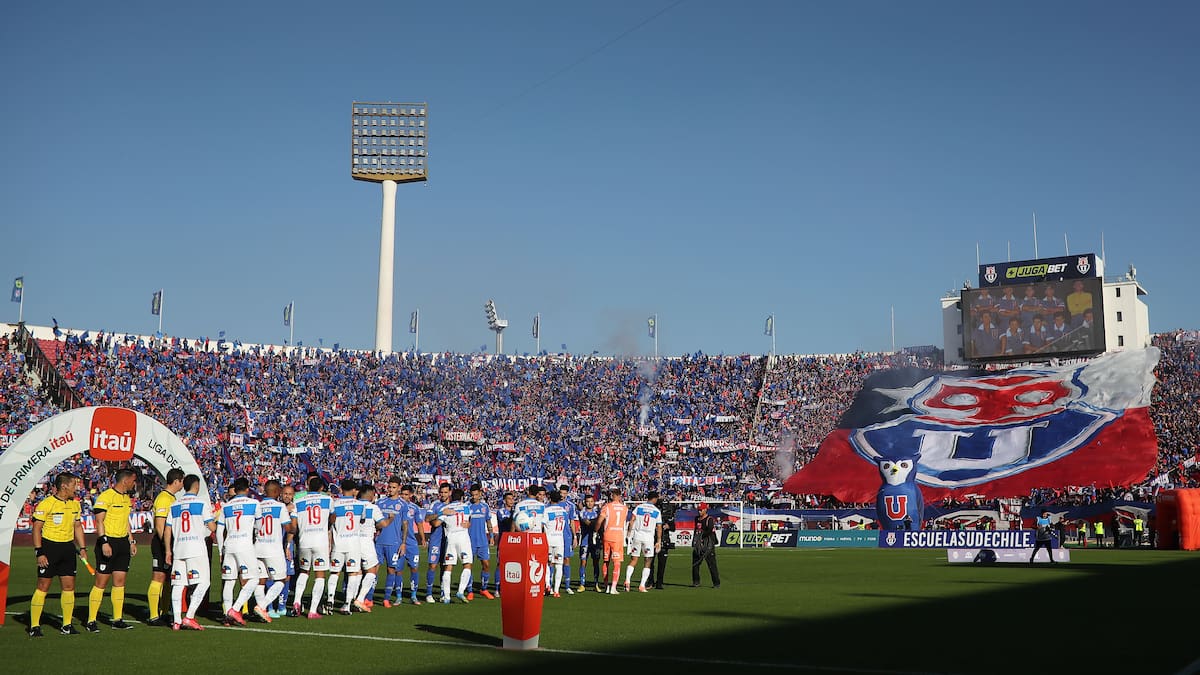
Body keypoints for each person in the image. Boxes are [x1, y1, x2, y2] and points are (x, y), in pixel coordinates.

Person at [29, 472, 89, 637]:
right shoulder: (46, 504)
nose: (76, 488)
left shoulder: (75, 505)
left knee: (69, 587)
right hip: (49, 548)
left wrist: (83, 548)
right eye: (73, 485)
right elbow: (36, 529)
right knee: (43, 587)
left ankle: (67, 625)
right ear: (64, 486)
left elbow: (78, 527)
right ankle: (34, 626)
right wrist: (39, 552)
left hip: (68, 549)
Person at [86, 467, 139, 632]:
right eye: (133, 480)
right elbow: (99, 521)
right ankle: (91, 620)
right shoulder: (106, 496)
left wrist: (131, 541)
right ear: (125, 480)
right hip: (108, 543)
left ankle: (117, 619)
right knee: (101, 582)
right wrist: (104, 542)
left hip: (123, 543)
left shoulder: (126, 499)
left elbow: (126, 521)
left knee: (120, 582)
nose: (134, 483)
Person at [164, 474, 215, 631]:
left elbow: (167, 529)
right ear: (197, 486)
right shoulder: (201, 503)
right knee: (204, 582)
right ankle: (190, 616)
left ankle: (177, 620)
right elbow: (212, 527)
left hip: (178, 549)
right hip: (196, 548)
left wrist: (167, 550)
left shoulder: (175, 504)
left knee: (178, 584)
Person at [216, 477, 262, 626]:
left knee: (229, 582)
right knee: (254, 578)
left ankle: (226, 614)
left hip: (229, 545)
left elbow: (219, 531)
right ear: (248, 489)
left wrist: (221, 551)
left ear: (234, 490)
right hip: (245, 545)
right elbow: (259, 527)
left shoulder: (226, 506)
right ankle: (235, 609)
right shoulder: (254, 503)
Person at [147, 468, 185, 626]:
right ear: (176, 481)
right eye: (182, 481)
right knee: (158, 577)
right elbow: (160, 525)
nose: (182, 484)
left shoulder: (171, 498)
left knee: (169, 579)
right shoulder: (164, 498)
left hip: (169, 543)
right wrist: (166, 545)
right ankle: (153, 615)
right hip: (162, 543)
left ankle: (164, 612)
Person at [290, 476, 332, 619]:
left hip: (304, 541)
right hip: (320, 540)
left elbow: (294, 524)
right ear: (321, 488)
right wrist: (327, 525)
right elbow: (333, 517)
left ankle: (296, 601)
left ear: (308, 486)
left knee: (303, 571)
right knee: (320, 574)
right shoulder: (327, 500)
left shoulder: (298, 501)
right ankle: (312, 610)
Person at [252, 479, 290, 620]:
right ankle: (262, 606)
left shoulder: (257, 505)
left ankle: (263, 611)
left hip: (258, 548)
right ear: (275, 492)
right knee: (281, 580)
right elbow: (288, 527)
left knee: (261, 580)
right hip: (273, 548)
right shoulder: (280, 506)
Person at [328, 479, 365, 615]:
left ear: (341, 489)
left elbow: (331, 521)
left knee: (334, 572)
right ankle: (347, 604)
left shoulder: (335, 504)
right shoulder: (360, 505)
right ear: (354, 490)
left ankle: (330, 600)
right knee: (352, 574)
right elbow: (362, 519)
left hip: (338, 543)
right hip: (353, 544)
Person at [350, 483, 389, 612]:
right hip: (366, 540)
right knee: (372, 570)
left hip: (353, 540)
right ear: (371, 494)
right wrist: (391, 519)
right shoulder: (373, 507)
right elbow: (382, 524)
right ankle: (360, 599)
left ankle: (350, 600)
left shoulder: (353, 505)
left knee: (357, 571)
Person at [438, 488, 474, 604]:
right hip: (463, 536)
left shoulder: (446, 509)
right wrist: (468, 523)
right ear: (462, 497)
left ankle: (447, 597)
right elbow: (469, 520)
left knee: (448, 567)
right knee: (467, 565)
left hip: (451, 537)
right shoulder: (467, 507)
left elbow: (437, 522)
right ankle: (460, 591)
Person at [374, 477, 405, 607]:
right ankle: (369, 598)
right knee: (373, 569)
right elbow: (375, 521)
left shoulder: (403, 505)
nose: (391, 489)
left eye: (393, 487)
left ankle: (386, 598)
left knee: (391, 570)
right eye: (389, 487)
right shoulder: (380, 503)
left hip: (394, 542)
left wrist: (403, 543)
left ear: (399, 488)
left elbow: (405, 525)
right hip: (379, 542)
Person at [624, 491, 662, 592]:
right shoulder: (656, 511)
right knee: (648, 561)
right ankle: (641, 585)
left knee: (634, 559)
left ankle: (627, 581)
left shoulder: (639, 507)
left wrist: (628, 534)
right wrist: (659, 540)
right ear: (654, 499)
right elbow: (659, 526)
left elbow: (631, 520)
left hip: (637, 536)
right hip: (648, 538)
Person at [595, 488, 628, 594]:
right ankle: (613, 587)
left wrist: (595, 531)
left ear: (612, 495)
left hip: (607, 535)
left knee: (606, 561)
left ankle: (606, 586)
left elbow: (599, 521)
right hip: (618, 537)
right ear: (619, 496)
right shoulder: (625, 508)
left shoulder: (607, 507)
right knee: (617, 562)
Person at [423, 482, 452, 603]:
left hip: (449, 540)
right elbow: (427, 519)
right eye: (441, 492)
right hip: (436, 539)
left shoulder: (454, 506)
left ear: (450, 493)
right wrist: (441, 513)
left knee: (445, 566)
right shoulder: (435, 504)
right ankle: (429, 594)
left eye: (445, 492)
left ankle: (443, 592)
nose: (443, 494)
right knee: (432, 565)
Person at [466, 484, 495, 599]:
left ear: (480, 494)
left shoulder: (485, 507)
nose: (474, 497)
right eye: (472, 495)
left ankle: (484, 589)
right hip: (469, 541)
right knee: (469, 566)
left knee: (486, 564)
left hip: (482, 541)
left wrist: (491, 536)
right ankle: (469, 591)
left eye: (476, 495)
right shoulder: (467, 507)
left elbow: (488, 522)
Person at [543, 490, 570, 597]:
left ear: (550, 498)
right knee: (559, 565)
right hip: (559, 540)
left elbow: (542, 524)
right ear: (559, 499)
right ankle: (557, 590)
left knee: (546, 563)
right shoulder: (563, 511)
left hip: (548, 540)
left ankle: (548, 584)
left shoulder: (547, 511)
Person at [649, 495, 678, 590]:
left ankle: (659, 583)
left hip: (664, 540)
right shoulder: (653, 513)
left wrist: (668, 526)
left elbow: (673, 527)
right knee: (650, 562)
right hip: (652, 539)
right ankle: (650, 582)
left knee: (662, 564)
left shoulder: (668, 516)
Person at [691, 502, 720, 589]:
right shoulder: (697, 519)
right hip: (698, 545)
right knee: (695, 564)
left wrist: (701, 537)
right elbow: (695, 530)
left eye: (701, 510)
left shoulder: (709, 519)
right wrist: (694, 541)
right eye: (698, 510)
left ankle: (716, 583)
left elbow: (710, 530)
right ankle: (696, 582)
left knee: (711, 565)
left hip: (708, 545)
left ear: (705, 509)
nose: (699, 512)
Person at [557, 485, 580, 594]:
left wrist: (575, 536)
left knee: (566, 559)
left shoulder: (570, 506)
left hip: (566, 536)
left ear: (567, 494)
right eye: (561, 493)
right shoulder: (553, 504)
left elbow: (572, 522)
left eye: (564, 493)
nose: (562, 495)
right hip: (555, 535)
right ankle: (551, 585)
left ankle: (567, 586)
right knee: (553, 560)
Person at [576, 494, 601, 591]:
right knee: (583, 562)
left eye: (591, 501)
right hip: (585, 541)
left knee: (596, 562)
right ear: (584, 502)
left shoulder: (597, 511)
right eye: (587, 501)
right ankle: (582, 584)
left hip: (595, 541)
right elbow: (589, 524)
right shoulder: (582, 512)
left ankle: (596, 584)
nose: (589, 503)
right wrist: (598, 522)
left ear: (594, 502)